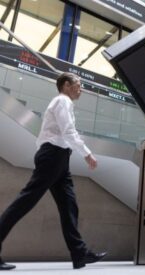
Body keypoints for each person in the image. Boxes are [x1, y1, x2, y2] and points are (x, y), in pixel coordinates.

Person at [0, 72, 107, 270]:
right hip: (52, 156)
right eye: (78, 84)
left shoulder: (63, 102)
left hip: (59, 158)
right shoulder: (62, 101)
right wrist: (87, 153)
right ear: (66, 85)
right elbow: (68, 130)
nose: (81, 88)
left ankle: (79, 253)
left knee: (69, 205)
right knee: (24, 202)